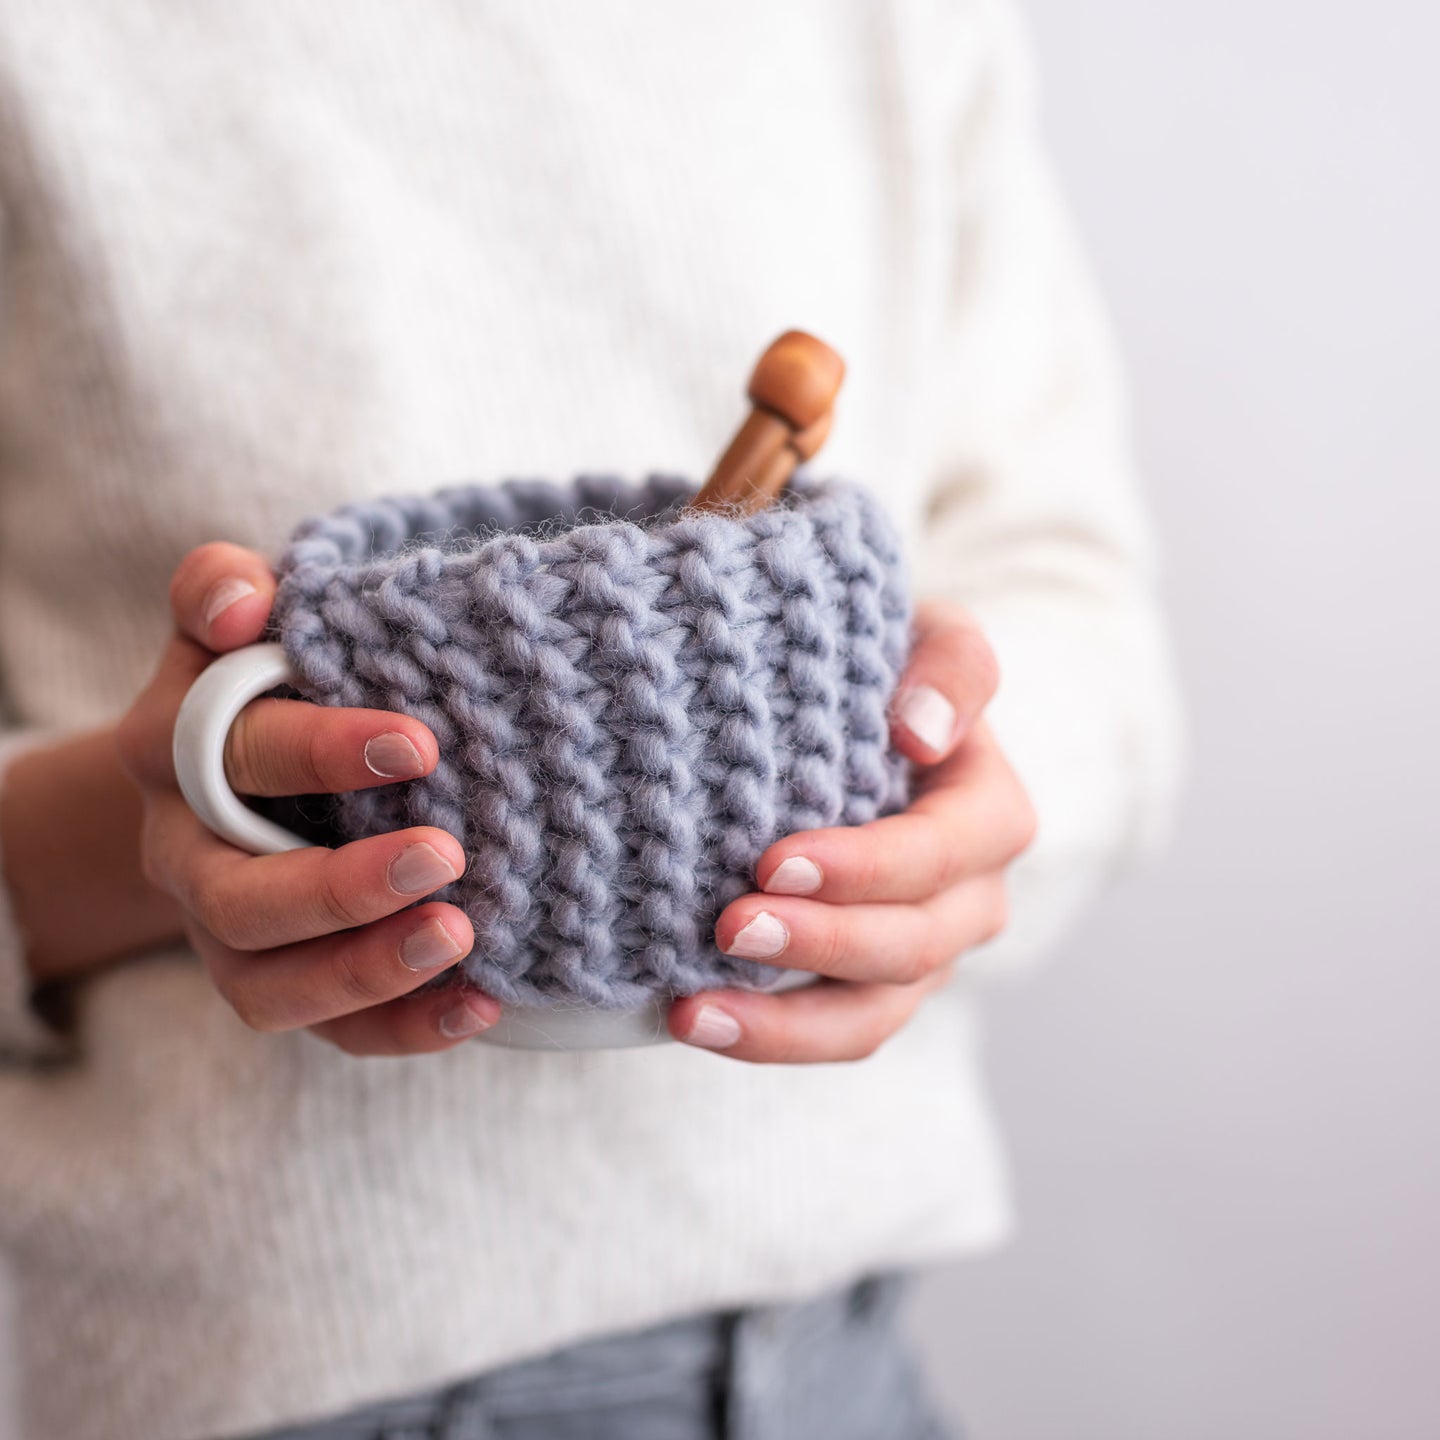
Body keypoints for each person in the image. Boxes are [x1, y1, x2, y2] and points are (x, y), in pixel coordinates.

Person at [0, 3, 1181, 1438]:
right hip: (292, 1381)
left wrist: (951, 798)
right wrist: (164, 838)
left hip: (846, 1351)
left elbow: (1074, 606)